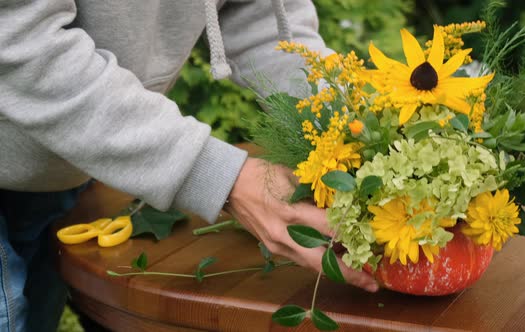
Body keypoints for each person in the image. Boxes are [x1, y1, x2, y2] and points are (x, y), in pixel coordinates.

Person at [0, 0, 379, 330]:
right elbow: (20, 40)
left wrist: (361, 123)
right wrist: (220, 177)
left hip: (69, 162)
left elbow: (260, 17)